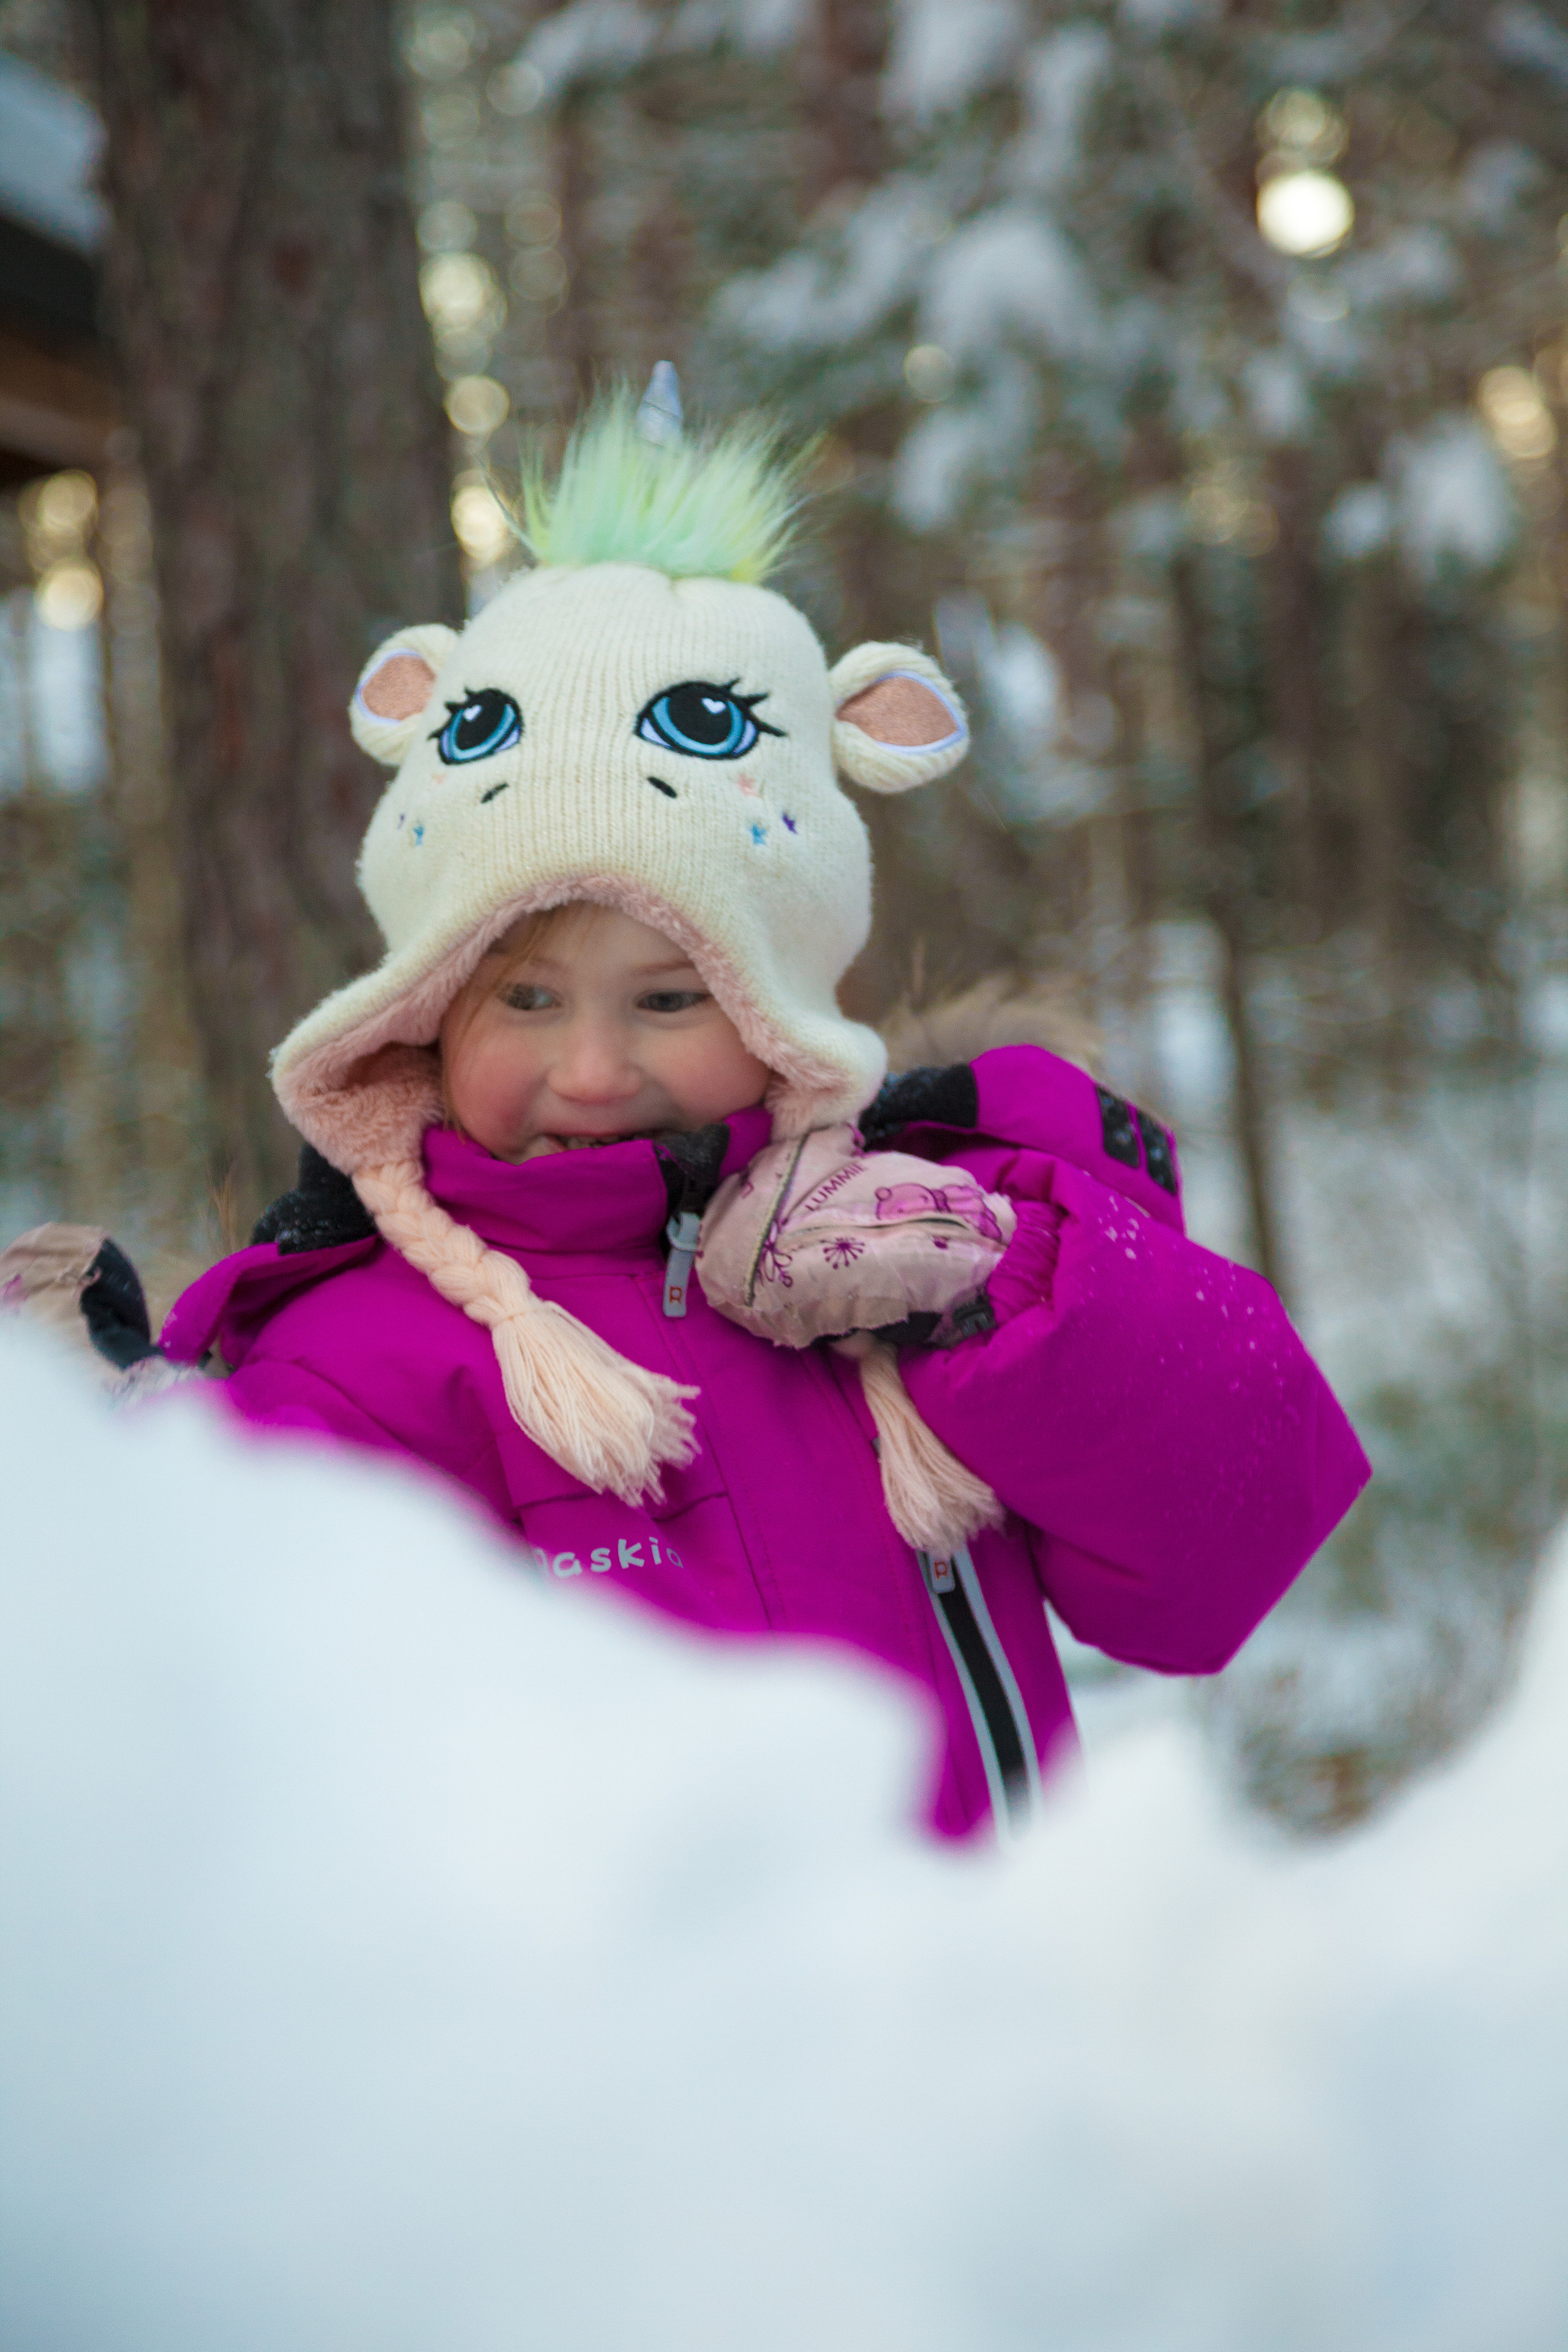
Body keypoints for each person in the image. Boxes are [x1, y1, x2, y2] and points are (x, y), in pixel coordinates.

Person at [34, 390, 1372, 1841]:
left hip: (987, 2020)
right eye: (527, 1002)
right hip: (658, 2054)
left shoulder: (934, 1231)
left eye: (669, 1001)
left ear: (771, 1007)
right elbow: (246, 1714)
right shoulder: (361, 1349)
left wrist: (999, 1295)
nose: (596, 1072)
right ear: (424, 1012)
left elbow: (1233, 1535)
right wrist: (87, 1474)